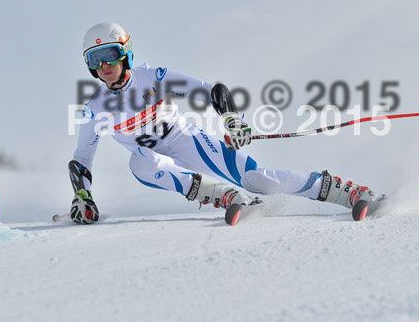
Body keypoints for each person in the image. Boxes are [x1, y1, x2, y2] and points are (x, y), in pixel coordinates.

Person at [69, 22, 381, 224]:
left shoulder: (153, 77)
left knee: (260, 179)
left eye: (110, 54)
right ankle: (222, 195)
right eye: (96, 59)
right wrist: (82, 197)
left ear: (126, 53)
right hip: (153, 157)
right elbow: (82, 158)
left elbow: (210, 91)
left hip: (184, 139)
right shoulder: (95, 107)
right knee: (140, 162)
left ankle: (348, 192)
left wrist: (232, 120)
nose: (105, 65)